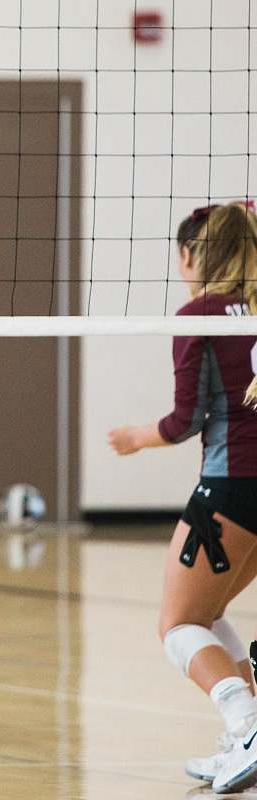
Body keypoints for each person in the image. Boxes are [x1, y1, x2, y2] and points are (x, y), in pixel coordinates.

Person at [107, 202, 257, 793]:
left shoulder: (200, 313)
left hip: (231, 491)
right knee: (207, 614)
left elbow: (185, 419)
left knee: (177, 626)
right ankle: (243, 737)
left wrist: (136, 439)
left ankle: (246, 725)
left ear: (192, 256)